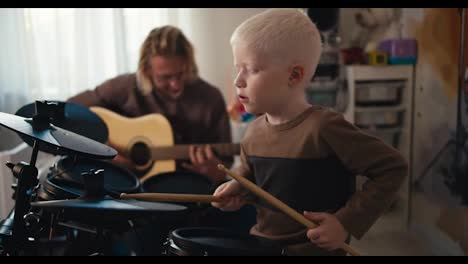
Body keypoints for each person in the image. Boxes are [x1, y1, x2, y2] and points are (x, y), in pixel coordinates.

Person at [211, 8, 408, 256]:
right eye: (238, 68)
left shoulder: (324, 127)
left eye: (251, 69)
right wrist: (238, 188)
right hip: (262, 246)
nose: (238, 80)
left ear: (294, 75)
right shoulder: (253, 132)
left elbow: (392, 167)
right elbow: (256, 178)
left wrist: (344, 223)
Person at [67, 25, 232, 185]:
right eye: (165, 77)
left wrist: (216, 172)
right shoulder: (124, 88)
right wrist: (100, 147)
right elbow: (67, 110)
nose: (175, 85)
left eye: (181, 73)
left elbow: (226, 162)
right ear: (146, 70)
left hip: (192, 193)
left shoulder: (211, 98)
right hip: (130, 191)